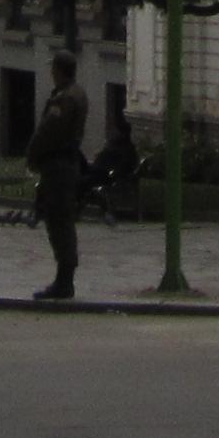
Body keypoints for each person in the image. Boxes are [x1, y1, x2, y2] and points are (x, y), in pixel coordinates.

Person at [27, 52, 89, 303]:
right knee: (61, 220)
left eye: (53, 68)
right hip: (66, 163)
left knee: (59, 221)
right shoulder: (78, 93)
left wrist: (31, 154)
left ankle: (64, 280)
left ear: (59, 70)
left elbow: (47, 132)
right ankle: (64, 278)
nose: (51, 73)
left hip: (58, 165)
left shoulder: (64, 99)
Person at [86, 92, 140, 224]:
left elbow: (123, 167)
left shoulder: (123, 149)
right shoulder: (116, 145)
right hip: (101, 172)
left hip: (107, 175)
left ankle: (105, 212)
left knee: (85, 182)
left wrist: (110, 172)